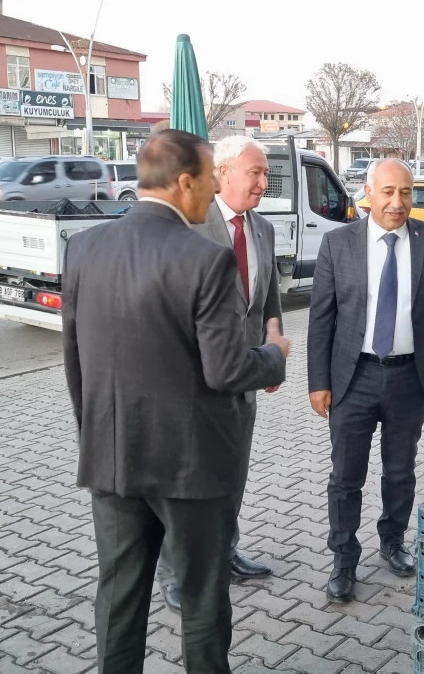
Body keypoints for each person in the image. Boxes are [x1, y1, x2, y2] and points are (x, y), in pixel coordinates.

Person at [64, 129, 290, 673]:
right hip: (192, 467)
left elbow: (75, 362)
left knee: (119, 597)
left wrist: (96, 437)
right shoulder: (206, 258)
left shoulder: (84, 247)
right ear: (185, 182)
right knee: (202, 597)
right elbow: (227, 368)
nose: (213, 189)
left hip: (112, 457)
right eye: (210, 178)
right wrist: (274, 355)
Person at [307, 158, 424, 602]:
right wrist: (317, 381)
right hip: (353, 376)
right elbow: (321, 318)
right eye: (387, 192)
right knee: (346, 476)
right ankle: (344, 559)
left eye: (405, 192)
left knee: (400, 471)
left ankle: (393, 541)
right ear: (368, 193)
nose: (397, 202)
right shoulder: (338, 243)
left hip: (409, 378)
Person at [157, 136, 281, 611]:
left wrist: (272, 356)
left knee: (232, 473)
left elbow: (267, 301)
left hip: (245, 378)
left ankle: (225, 553)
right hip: (195, 382)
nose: (264, 182)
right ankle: (176, 572)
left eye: (266, 173)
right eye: (256, 172)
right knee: (187, 481)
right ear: (223, 172)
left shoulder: (262, 228)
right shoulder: (190, 224)